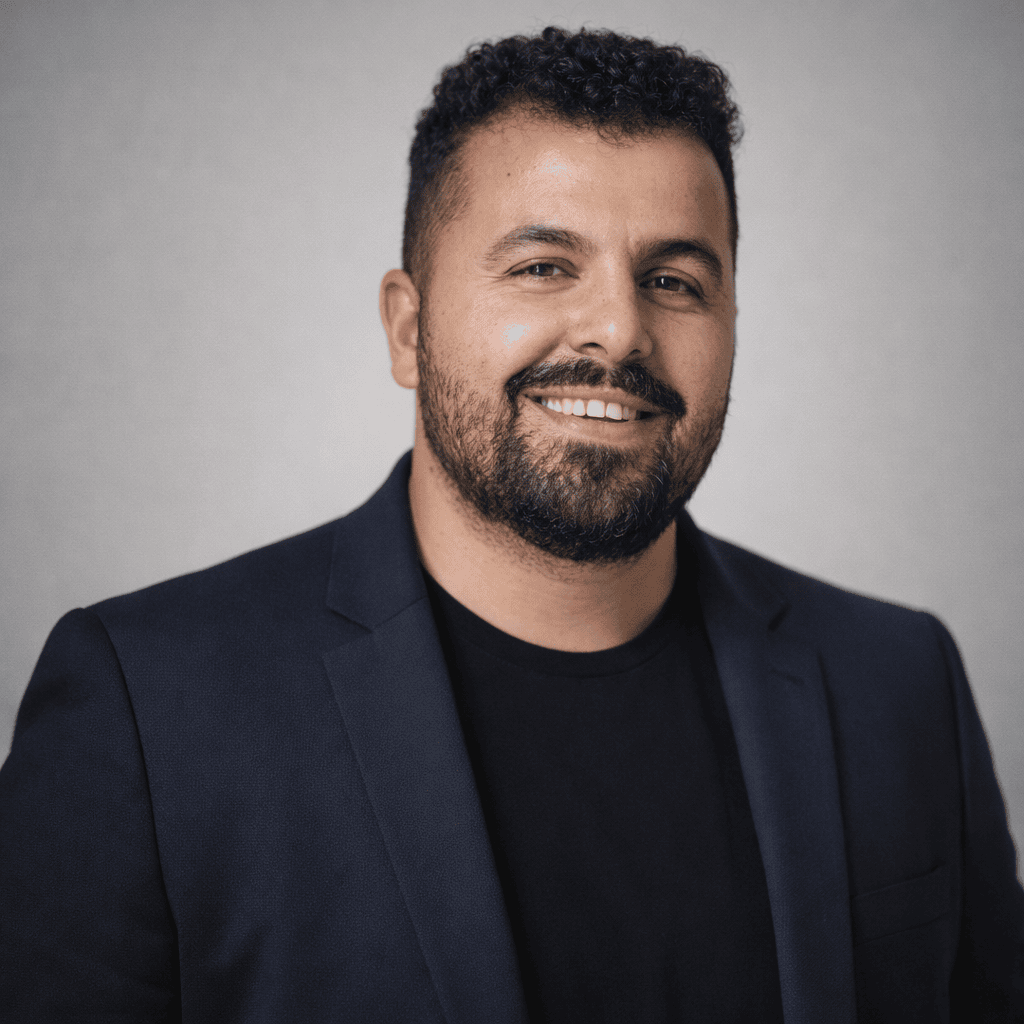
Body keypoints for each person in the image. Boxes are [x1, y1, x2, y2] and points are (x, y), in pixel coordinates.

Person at [1, 24, 1021, 1023]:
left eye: (674, 281)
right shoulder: (145, 711)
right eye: (543, 266)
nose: (618, 330)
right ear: (409, 328)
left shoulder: (900, 684)